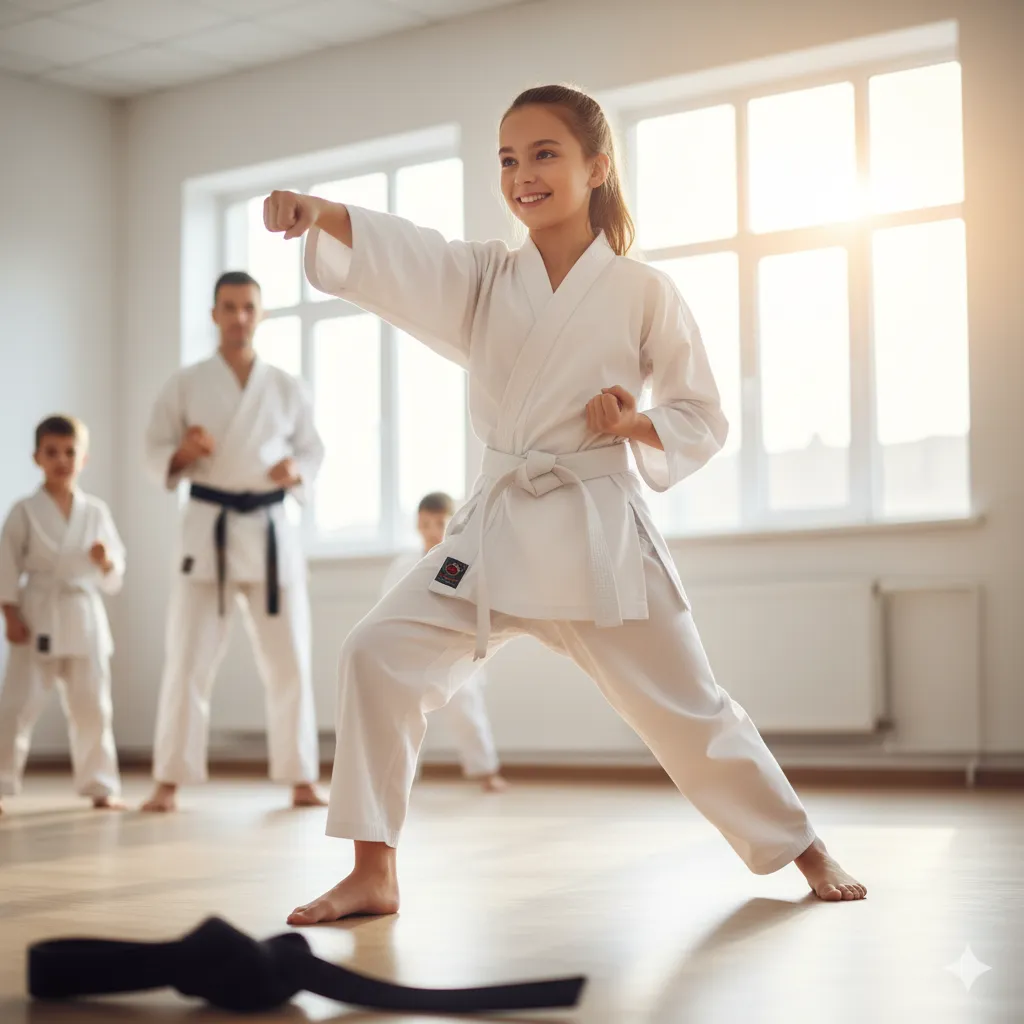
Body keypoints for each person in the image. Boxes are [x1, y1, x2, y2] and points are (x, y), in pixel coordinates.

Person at [264, 84, 865, 923]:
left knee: (688, 706)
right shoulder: (484, 276)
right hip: (499, 530)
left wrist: (637, 422)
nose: (523, 174)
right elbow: (410, 254)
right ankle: (373, 870)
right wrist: (324, 212)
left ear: (596, 165)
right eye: (508, 159)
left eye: (544, 153)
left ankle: (804, 848)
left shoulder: (643, 291)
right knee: (377, 653)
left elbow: (703, 412)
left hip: (598, 534)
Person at [141, 272, 325, 813]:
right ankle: (168, 781)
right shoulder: (186, 382)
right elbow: (154, 449)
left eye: (248, 307)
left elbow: (313, 452)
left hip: (270, 532)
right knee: (188, 659)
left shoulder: (287, 386)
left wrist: (297, 470)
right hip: (209, 527)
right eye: (229, 307)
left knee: (290, 659)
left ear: (261, 314)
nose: (239, 317)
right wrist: (182, 452)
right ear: (214, 313)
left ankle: (301, 778)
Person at [0, 415, 125, 811]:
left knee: (93, 705)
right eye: (52, 452)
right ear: (37, 457)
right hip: (38, 613)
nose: (62, 460)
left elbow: (116, 572)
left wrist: (106, 562)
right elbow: (5, 566)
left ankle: (101, 786)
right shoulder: (23, 511)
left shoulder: (96, 512)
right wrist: (11, 614)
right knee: (18, 705)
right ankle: (1, 782)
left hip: (83, 614)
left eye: (70, 452)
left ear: (83, 458)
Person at [383, 492, 506, 792]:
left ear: (453, 521)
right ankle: (402, 777)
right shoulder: (404, 565)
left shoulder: (460, 561)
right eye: (425, 524)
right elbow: (387, 607)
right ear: (417, 526)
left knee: (467, 708)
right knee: (405, 714)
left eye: (439, 522)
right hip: (413, 651)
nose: (432, 530)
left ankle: (485, 771)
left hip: (454, 649)